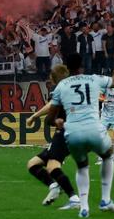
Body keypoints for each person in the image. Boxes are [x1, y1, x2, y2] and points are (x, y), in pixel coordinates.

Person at [50, 48, 114, 216]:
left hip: (73, 132)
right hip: (94, 128)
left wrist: (57, 121)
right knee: (108, 155)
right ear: (82, 66)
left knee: (82, 166)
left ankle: (84, 206)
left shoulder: (61, 86)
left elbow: (50, 119)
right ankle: (106, 199)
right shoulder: (94, 79)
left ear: (67, 68)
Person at [27, 64, 78, 209]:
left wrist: (34, 116)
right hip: (65, 132)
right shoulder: (71, 87)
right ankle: (54, 186)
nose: (49, 77)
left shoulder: (60, 89)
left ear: (55, 77)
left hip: (65, 133)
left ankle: (74, 198)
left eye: (51, 74)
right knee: (32, 164)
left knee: (52, 166)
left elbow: (50, 106)